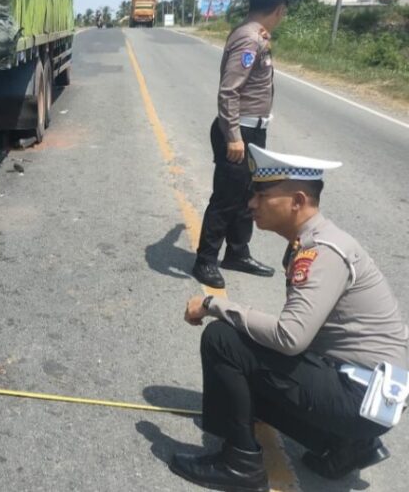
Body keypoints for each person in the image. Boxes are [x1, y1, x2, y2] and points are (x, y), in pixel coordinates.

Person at [170, 145, 409, 490]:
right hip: (373, 393)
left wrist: (213, 304)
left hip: (362, 396)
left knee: (223, 339)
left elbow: (290, 337)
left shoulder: (321, 251)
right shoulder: (315, 241)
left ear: (297, 201)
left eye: (262, 194)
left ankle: (240, 463)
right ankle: (346, 446)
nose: (251, 203)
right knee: (249, 380)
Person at [191, 0, 301, 289]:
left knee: (248, 196)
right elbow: (229, 91)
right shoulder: (250, 39)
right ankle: (205, 260)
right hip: (240, 132)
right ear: (279, 10)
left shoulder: (252, 34)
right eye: (283, 11)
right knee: (227, 198)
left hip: (252, 131)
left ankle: (237, 253)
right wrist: (234, 136)